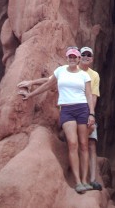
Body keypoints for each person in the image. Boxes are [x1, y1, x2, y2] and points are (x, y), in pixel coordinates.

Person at [17, 47, 95, 194]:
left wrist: (92, 114)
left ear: (78, 59)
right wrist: (31, 93)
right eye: (70, 57)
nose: (72, 59)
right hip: (66, 110)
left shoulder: (84, 76)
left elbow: (89, 95)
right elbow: (48, 84)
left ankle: (85, 180)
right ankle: (78, 182)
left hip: (82, 109)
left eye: (74, 57)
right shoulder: (60, 71)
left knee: (84, 144)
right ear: (67, 58)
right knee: (72, 143)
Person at [79, 46, 102, 191]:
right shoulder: (73, 70)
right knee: (79, 144)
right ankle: (81, 178)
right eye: (83, 54)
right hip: (73, 111)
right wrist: (31, 84)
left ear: (92, 58)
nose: (86, 57)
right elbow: (53, 78)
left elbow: (93, 96)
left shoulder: (94, 75)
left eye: (89, 55)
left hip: (88, 113)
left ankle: (92, 179)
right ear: (79, 56)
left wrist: (91, 114)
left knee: (92, 143)